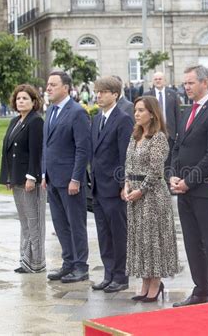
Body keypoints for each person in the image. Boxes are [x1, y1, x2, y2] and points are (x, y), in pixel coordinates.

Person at [170, 65, 208, 307]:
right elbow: (177, 147)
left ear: (205, 83)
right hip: (184, 190)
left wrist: (189, 181)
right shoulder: (187, 111)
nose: (186, 87)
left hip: (204, 190)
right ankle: (200, 289)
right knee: (192, 242)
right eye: (185, 83)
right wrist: (172, 175)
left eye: (191, 83)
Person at [123, 96, 179, 303]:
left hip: (153, 195)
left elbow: (156, 171)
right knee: (140, 240)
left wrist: (141, 190)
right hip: (134, 192)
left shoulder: (158, 138)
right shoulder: (135, 135)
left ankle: (156, 283)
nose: (136, 114)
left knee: (153, 239)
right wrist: (127, 185)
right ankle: (145, 283)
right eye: (135, 110)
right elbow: (128, 163)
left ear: (152, 114)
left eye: (141, 110)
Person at [42, 71, 91, 283]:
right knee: (60, 224)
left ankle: (81, 266)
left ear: (66, 88)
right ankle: (68, 263)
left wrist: (76, 179)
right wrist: (44, 173)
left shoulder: (77, 112)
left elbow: (83, 149)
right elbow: (46, 145)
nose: (48, 88)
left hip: (70, 180)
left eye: (53, 84)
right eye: (48, 84)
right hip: (52, 179)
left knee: (75, 224)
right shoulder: (51, 110)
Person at [90, 77, 134, 293]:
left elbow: (125, 155)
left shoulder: (123, 119)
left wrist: (123, 183)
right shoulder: (97, 118)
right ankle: (108, 273)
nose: (98, 95)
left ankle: (120, 276)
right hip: (98, 187)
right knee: (103, 233)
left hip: (114, 188)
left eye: (103, 92)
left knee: (118, 233)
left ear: (114, 94)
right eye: (96, 91)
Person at [0, 84, 46, 273]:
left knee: (34, 222)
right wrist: (8, 177)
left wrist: (31, 177)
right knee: (24, 221)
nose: (21, 101)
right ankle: (26, 259)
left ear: (34, 102)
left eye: (25, 98)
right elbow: (7, 151)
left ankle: (37, 262)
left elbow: (36, 152)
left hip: (29, 180)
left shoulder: (36, 122)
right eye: (18, 99)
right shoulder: (14, 121)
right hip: (16, 179)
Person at [143, 72, 181, 179]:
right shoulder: (147, 95)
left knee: (169, 158)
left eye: (160, 79)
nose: (158, 81)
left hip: (170, 132)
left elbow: (177, 113)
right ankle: (156, 181)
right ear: (153, 81)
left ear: (164, 81)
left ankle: (168, 181)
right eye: (156, 79)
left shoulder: (172, 94)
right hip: (153, 132)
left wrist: (179, 131)